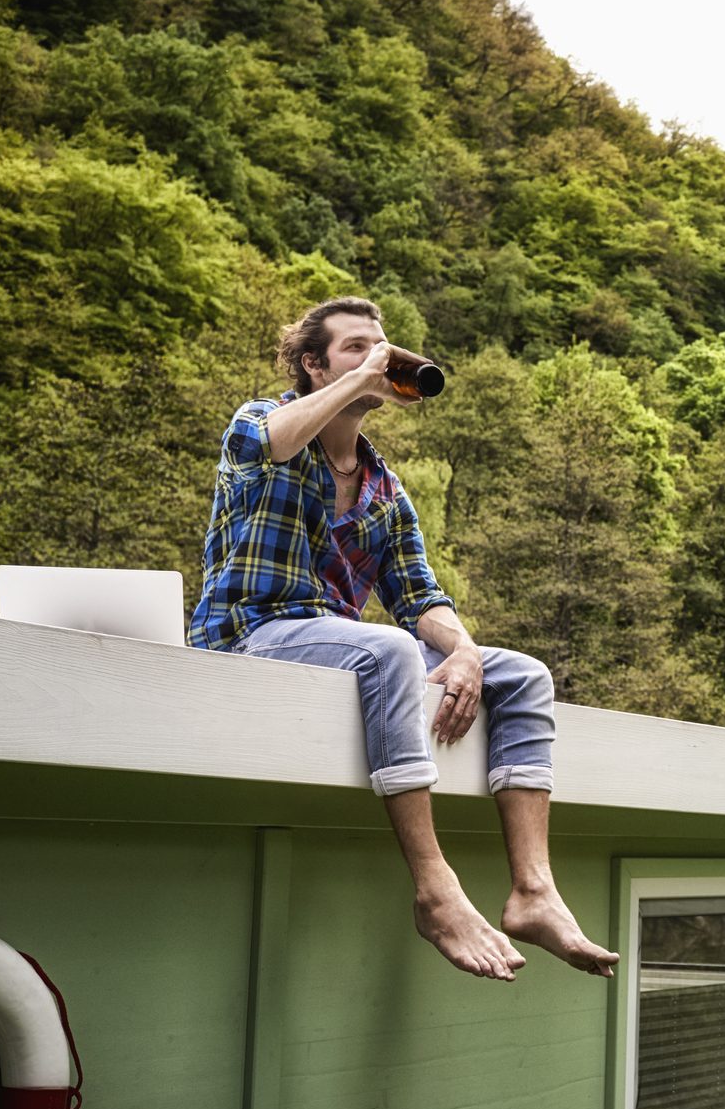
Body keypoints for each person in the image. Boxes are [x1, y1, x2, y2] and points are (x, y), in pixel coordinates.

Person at [188, 295, 618, 983]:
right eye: (354, 346)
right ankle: (434, 888)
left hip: (333, 644)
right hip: (250, 633)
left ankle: (534, 891)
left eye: (379, 346)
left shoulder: (384, 490)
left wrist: (467, 652)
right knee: (382, 647)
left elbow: (420, 599)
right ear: (311, 363)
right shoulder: (258, 424)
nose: (375, 358)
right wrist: (361, 379)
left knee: (522, 675)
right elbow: (276, 441)